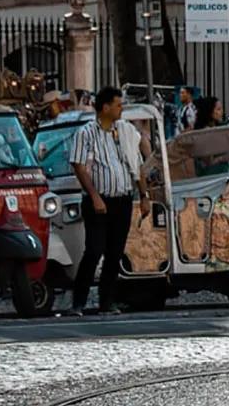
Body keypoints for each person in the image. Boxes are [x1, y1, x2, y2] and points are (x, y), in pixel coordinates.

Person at [67, 88, 142, 316]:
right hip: (99, 200)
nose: (121, 109)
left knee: (114, 253)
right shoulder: (86, 133)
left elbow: (136, 164)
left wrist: (144, 195)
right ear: (106, 107)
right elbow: (79, 165)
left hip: (122, 199)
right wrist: (94, 196)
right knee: (94, 250)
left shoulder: (123, 132)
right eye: (118, 105)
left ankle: (106, 301)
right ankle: (78, 301)